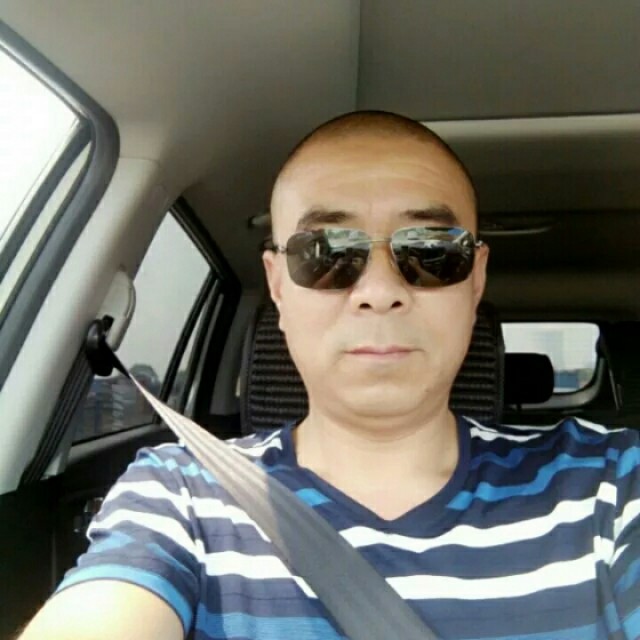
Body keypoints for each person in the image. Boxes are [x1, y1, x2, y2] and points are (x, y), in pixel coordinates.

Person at [18, 111, 640, 639]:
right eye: (326, 253)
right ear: (277, 286)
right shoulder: (181, 494)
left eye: (431, 250)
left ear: (475, 280)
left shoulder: (610, 484)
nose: (379, 290)